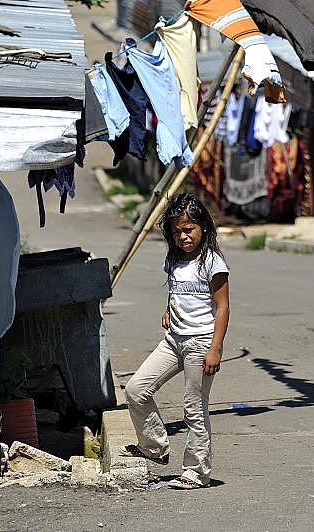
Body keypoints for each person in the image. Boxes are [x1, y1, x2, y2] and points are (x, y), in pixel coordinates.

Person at [122, 192, 230, 489]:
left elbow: (222, 307)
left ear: (203, 227)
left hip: (201, 342)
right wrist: (169, 308)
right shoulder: (173, 258)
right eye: (177, 231)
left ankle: (197, 472)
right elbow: (177, 290)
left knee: (194, 409)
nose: (183, 237)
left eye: (189, 229)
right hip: (173, 341)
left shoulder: (212, 262)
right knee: (136, 389)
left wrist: (215, 349)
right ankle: (154, 447)